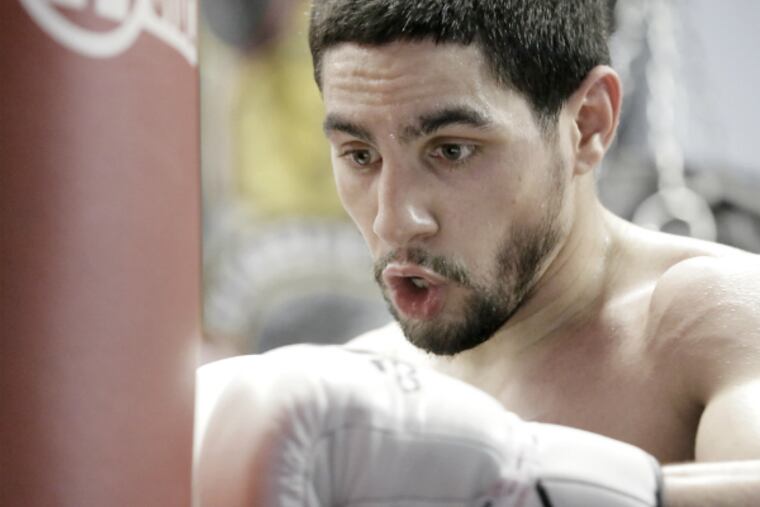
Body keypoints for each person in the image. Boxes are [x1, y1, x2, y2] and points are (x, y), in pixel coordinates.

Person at [195, 1, 760, 506]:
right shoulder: (363, 387)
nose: (395, 220)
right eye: (360, 155)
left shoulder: (709, 317)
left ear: (588, 123)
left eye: (452, 150)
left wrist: (531, 488)